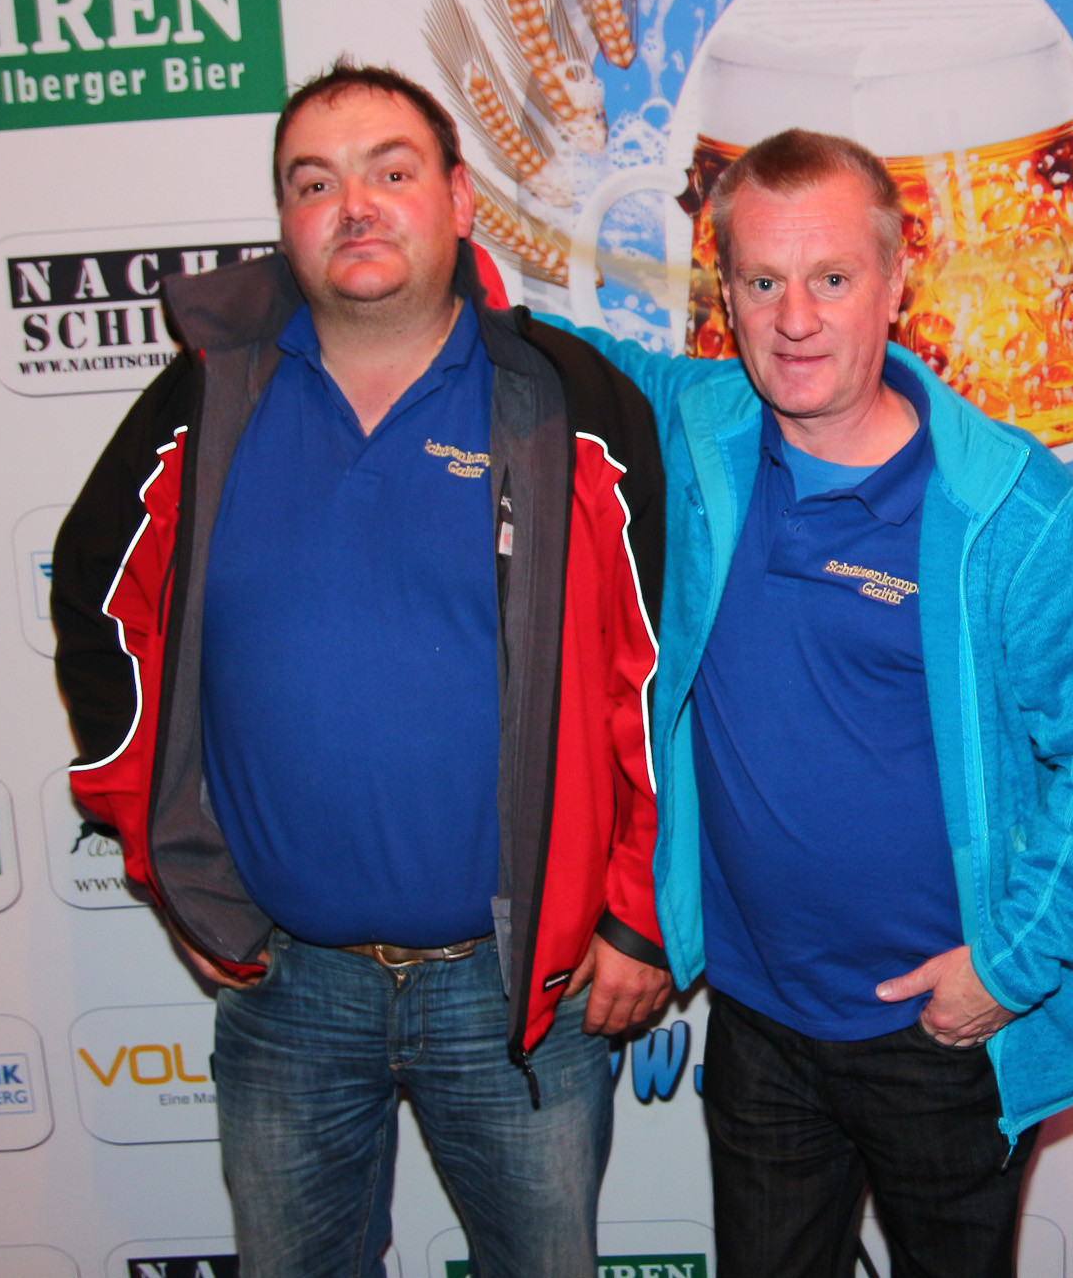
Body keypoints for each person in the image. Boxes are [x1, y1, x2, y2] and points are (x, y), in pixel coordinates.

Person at [52, 62, 672, 1277]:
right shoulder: (204, 400)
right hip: (287, 989)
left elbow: (651, 677)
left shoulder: (567, 402)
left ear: (458, 199)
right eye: (314, 182)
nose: (354, 206)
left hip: (517, 992)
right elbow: (96, 607)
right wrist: (170, 859)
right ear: (284, 220)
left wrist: (637, 915)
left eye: (390, 172)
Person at [543, 129, 1073, 1277]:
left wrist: (1006, 966)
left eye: (830, 278)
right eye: (761, 282)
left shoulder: (1004, 504)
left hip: (941, 1029)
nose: (794, 319)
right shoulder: (698, 424)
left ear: (894, 279)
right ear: (724, 293)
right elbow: (551, 352)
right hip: (757, 1022)